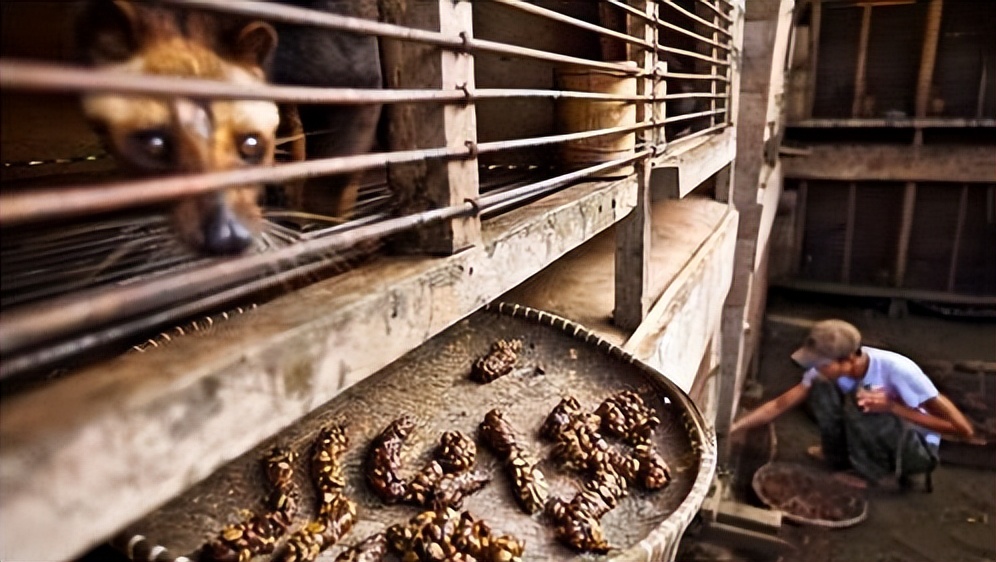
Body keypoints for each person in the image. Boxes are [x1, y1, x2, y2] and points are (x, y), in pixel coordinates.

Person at [730, 319, 974, 489]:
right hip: (876, 430)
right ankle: (838, 456)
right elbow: (779, 405)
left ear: (848, 359)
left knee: (865, 399)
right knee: (821, 388)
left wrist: (893, 407)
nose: (818, 369)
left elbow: (963, 429)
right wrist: (734, 428)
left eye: (823, 363)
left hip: (915, 450)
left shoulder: (899, 370)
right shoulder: (827, 372)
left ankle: (871, 473)